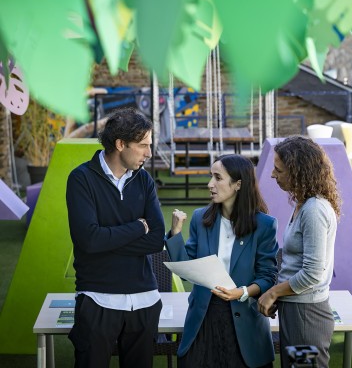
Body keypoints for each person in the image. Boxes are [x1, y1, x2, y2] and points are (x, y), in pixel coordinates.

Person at [66, 108, 165, 368]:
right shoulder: (81, 179)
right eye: (143, 145)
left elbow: (157, 240)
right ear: (120, 144)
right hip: (98, 298)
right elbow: (89, 241)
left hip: (144, 300)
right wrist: (138, 227)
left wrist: (105, 239)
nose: (149, 153)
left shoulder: (144, 180)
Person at [167, 154, 279, 368]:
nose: (210, 184)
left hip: (244, 320)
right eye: (211, 176)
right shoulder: (200, 218)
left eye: (218, 178)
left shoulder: (265, 225)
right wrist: (175, 233)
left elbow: (267, 276)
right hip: (203, 318)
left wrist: (242, 292)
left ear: (238, 184)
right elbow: (185, 269)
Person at [258, 135, 342, 368]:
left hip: (306, 316)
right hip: (297, 309)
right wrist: (281, 295)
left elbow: (313, 273)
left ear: (298, 172)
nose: (272, 175)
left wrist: (273, 293)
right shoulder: (304, 204)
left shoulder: (314, 210)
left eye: (279, 170)